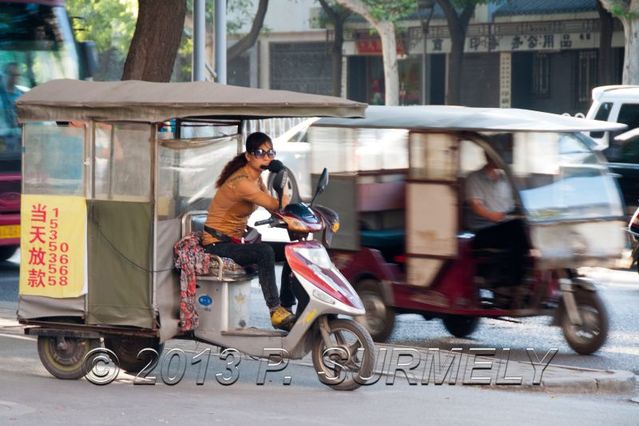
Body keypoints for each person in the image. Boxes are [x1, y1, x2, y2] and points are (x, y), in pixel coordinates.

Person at [202, 132, 295, 330]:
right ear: (248, 156)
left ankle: (287, 306)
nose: (267, 157)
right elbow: (278, 205)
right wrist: (282, 174)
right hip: (217, 245)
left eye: (270, 153)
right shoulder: (242, 183)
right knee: (265, 252)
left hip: (234, 241)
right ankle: (275, 310)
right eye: (261, 152)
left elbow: (274, 209)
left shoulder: (256, 179)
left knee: (291, 251)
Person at [465, 152, 530, 295]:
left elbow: (516, 202)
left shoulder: (506, 178)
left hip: (506, 225)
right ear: (488, 156)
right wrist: (492, 215)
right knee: (517, 230)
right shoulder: (474, 178)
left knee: (527, 230)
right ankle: (512, 282)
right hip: (484, 229)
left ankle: (524, 278)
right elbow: (476, 205)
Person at [0, 62, 25, 153]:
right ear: (3, 75)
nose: (15, 78)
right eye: (12, 75)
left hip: (19, 139)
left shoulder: (22, 96)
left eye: (17, 75)